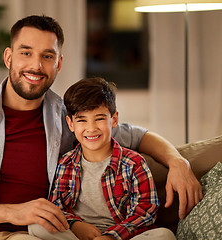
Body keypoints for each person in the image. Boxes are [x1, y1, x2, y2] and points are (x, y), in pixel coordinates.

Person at [0, 15, 201, 240]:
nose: (36, 66)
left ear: (58, 64)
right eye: (26, 53)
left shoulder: (69, 117)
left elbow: (136, 135)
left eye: (47, 56)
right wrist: (16, 211)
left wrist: (178, 162)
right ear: (9, 57)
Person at [28, 77, 176, 240]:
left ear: (114, 120)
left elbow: (145, 212)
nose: (91, 128)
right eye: (82, 120)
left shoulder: (134, 163)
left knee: (164, 235)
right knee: (36, 225)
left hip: (121, 236)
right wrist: (76, 226)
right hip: (78, 235)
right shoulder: (66, 163)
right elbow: (58, 207)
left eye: (99, 119)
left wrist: (111, 236)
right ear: (70, 124)